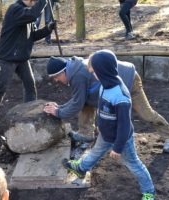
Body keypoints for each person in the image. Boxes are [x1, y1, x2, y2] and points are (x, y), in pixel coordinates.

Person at [62, 50, 155, 200]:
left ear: (103, 71)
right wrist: (101, 124)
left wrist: (118, 147)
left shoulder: (120, 96)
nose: (93, 75)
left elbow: (124, 126)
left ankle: (149, 191)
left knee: (134, 164)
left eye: (95, 72)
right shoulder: (104, 85)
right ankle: (81, 168)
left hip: (121, 138)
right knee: (95, 152)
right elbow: (102, 107)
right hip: (106, 134)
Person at [44, 56, 169, 153]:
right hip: (112, 83)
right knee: (87, 102)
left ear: (63, 71)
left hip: (129, 81)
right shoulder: (74, 69)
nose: (56, 80)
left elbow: (76, 104)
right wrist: (60, 108)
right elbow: (78, 99)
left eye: (56, 77)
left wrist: (58, 112)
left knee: (146, 113)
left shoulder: (77, 75)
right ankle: (86, 133)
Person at [0, 0, 56, 126]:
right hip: (7, 57)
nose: (35, 3)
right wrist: (43, 2)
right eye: (35, 1)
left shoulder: (27, 14)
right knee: (0, 89)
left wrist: (48, 29)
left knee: (30, 86)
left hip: (22, 58)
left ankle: (28, 117)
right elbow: (32, 14)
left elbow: (33, 36)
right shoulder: (15, 9)